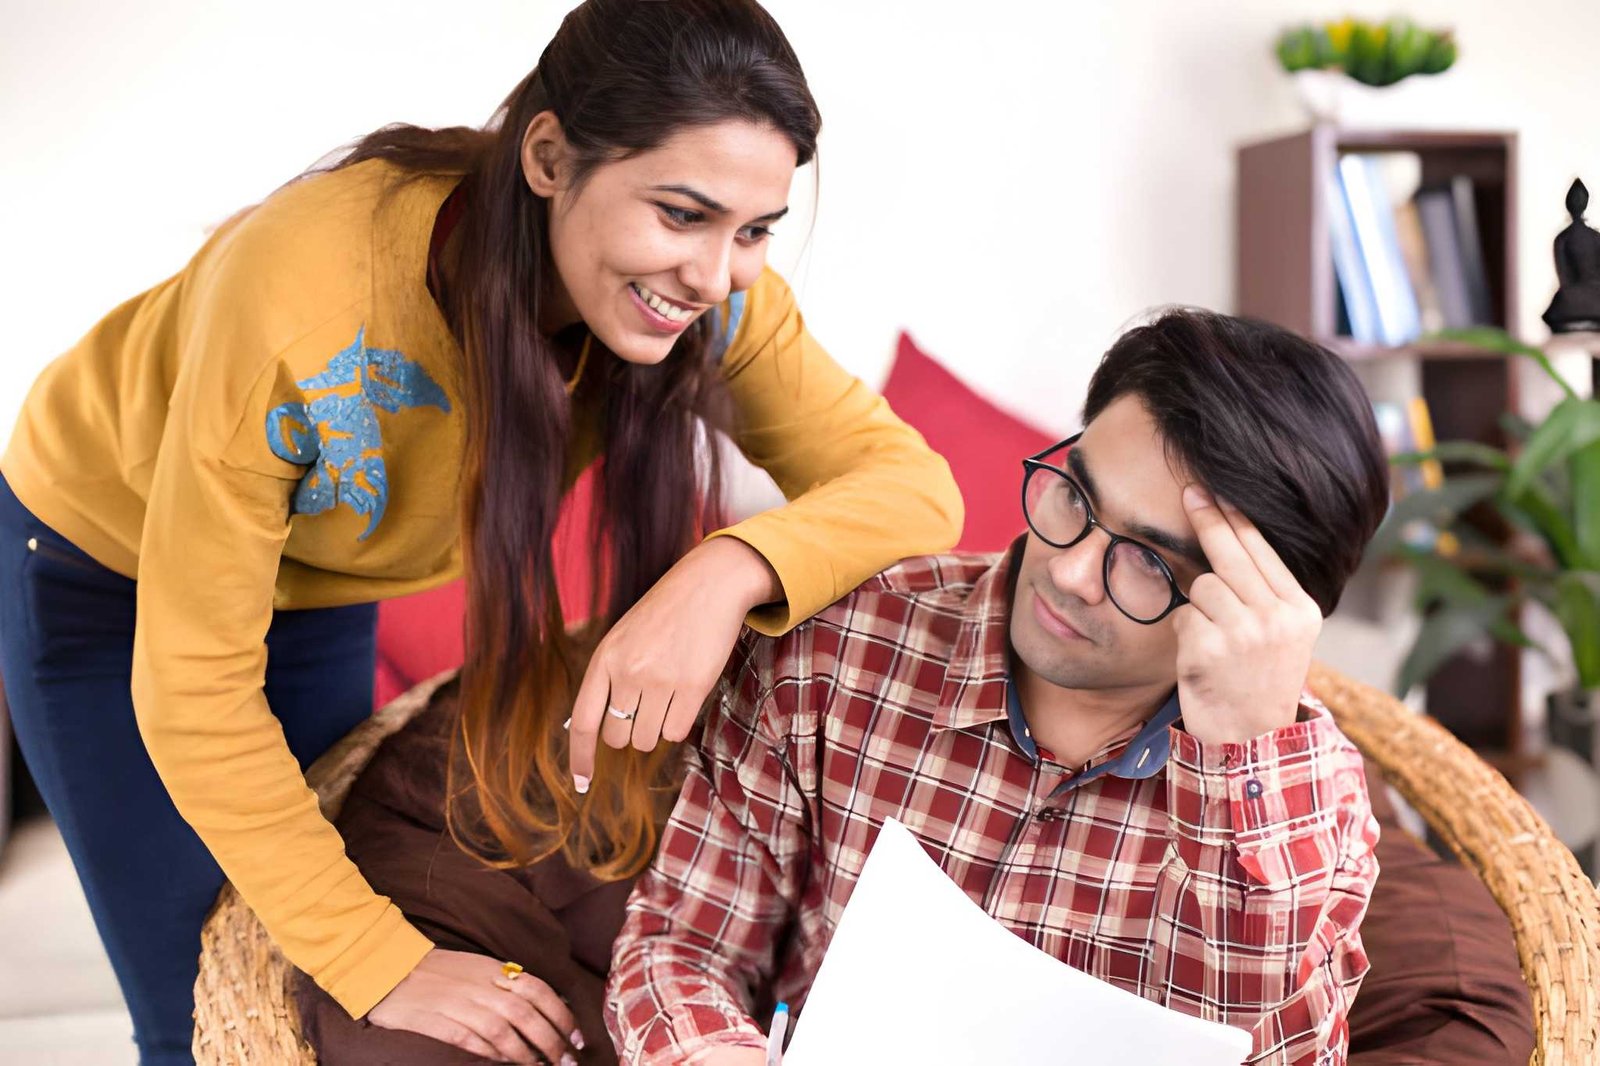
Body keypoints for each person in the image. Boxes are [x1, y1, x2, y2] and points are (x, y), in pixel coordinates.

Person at [0, 2, 962, 1062]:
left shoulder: (713, 300)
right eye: (682, 213)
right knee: (201, 1005)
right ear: (549, 155)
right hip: (101, 562)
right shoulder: (300, 295)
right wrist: (385, 959)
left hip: (315, 585)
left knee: (292, 968)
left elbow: (914, 489)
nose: (717, 273)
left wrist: (726, 570)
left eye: (754, 229)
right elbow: (192, 690)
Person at [605, 308, 1392, 1066]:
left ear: (1257, 609)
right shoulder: (837, 647)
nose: (1072, 572)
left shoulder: (1311, 798)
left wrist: (1239, 764)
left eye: (1151, 563)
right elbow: (681, 948)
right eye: (1074, 497)